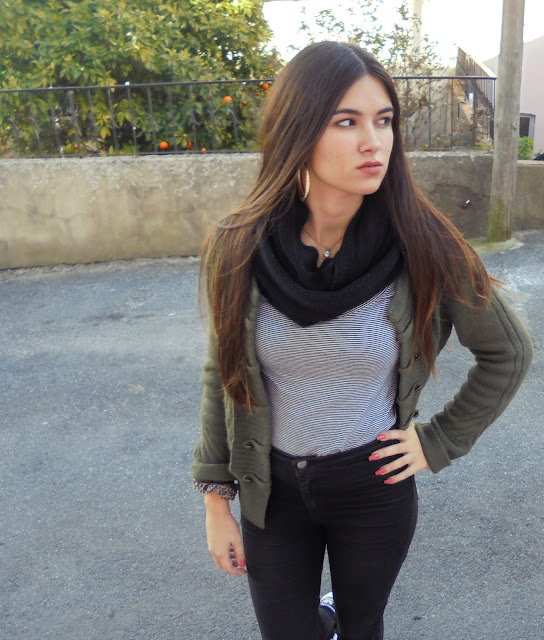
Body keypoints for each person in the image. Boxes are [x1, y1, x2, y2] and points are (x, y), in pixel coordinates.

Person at [191, 41, 533, 640]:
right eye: (346, 122)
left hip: (372, 486)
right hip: (271, 489)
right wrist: (216, 501)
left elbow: (508, 351)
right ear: (298, 130)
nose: (374, 142)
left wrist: (440, 440)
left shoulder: (425, 243)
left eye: (384, 120)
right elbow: (223, 371)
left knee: (362, 626)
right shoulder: (239, 243)